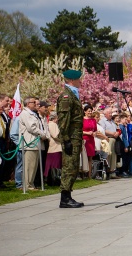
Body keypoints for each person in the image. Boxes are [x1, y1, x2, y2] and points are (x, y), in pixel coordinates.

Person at [56, 69, 85, 208]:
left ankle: (68, 196)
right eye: (79, 79)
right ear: (72, 80)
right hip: (70, 137)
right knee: (69, 166)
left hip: (75, 136)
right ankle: (64, 198)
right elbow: (63, 120)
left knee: (73, 166)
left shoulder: (73, 94)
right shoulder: (66, 97)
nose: (81, 81)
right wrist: (66, 139)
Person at [18, 96, 49, 190]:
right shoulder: (26, 114)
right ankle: (28, 185)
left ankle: (31, 184)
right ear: (28, 104)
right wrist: (43, 135)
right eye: (33, 103)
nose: (36, 104)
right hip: (30, 143)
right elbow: (32, 128)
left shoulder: (33, 114)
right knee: (29, 166)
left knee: (34, 166)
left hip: (35, 142)